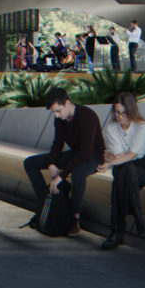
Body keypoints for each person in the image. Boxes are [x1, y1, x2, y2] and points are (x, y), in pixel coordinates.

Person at [23, 88, 103, 237]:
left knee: (78, 174)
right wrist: (51, 164)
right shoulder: (60, 119)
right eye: (53, 112)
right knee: (30, 163)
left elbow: (86, 152)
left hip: (93, 156)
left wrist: (62, 175)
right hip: (75, 154)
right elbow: (57, 143)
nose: (56, 115)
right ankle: (46, 206)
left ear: (67, 103)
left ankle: (74, 218)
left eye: (58, 111)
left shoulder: (87, 116)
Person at [95, 91, 145, 249]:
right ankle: (136, 215)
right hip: (123, 165)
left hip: (144, 167)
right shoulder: (111, 128)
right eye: (117, 112)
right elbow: (120, 154)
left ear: (132, 111)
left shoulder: (142, 126)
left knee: (121, 178)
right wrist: (112, 159)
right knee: (125, 172)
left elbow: (132, 154)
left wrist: (108, 164)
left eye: (124, 113)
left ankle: (116, 232)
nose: (120, 117)